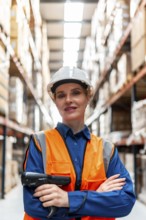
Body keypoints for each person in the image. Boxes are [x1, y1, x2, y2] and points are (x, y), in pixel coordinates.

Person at [22, 66, 136, 220]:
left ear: (88, 97)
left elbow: (125, 201)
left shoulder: (106, 149)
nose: (68, 100)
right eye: (61, 95)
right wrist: (96, 197)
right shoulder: (40, 143)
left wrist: (68, 200)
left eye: (76, 93)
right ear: (55, 101)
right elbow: (33, 205)